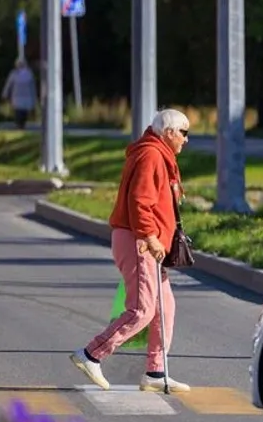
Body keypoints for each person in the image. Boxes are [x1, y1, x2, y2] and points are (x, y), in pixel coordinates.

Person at [71, 109, 192, 393]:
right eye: (184, 133)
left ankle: (155, 372)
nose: (187, 140)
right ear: (169, 132)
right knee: (142, 309)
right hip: (139, 241)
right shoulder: (151, 155)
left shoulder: (158, 155)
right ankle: (91, 354)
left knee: (165, 309)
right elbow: (140, 200)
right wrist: (150, 237)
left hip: (147, 241)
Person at [1, 59, 37, 129]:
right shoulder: (29, 74)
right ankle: (21, 125)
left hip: (17, 97)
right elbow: (32, 87)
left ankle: (19, 125)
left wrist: (4, 94)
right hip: (26, 98)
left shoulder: (14, 74)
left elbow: (9, 85)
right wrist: (34, 98)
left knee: (18, 112)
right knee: (23, 112)